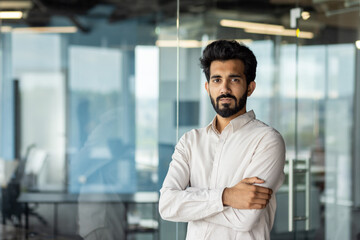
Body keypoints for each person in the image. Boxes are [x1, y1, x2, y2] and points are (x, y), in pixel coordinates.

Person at [159, 40, 285, 240]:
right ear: (208, 87)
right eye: (217, 80)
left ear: (250, 87)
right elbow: (166, 205)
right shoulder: (190, 141)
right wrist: (226, 196)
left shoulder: (267, 140)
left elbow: (245, 219)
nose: (224, 89)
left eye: (234, 80)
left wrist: (190, 203)